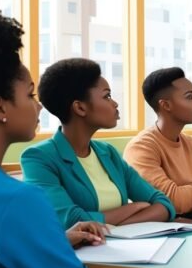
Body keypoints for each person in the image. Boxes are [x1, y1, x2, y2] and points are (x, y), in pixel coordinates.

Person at [0, 5, 192, 268]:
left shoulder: (107, 153)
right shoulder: (18, 198)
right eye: (30, 95)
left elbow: (161, 203)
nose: (38, 105)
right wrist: (130, 210)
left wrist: (59, 240)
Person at [21, 58, 177, 228]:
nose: (115, 103)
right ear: (80, 108)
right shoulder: (39, 158)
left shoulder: (108, 152)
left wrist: (115, 226)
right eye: (107, 96)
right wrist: (133, 207)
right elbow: (72, 220)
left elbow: (163, 204)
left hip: (125, 243)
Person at [123, 68, 192, 220]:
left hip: (190, 221)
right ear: (166, 105)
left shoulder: (191, 144)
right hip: (162, 230)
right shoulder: (141, 147)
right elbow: (173, 202)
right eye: (189, 97)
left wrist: (189, 196)